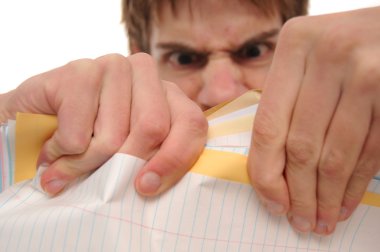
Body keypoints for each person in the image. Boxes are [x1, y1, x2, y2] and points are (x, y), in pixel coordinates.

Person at [0, 0, 379, 237]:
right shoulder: (80, 158)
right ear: (141, 59)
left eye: (254, 50)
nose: (221, 91)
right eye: (184, 58)